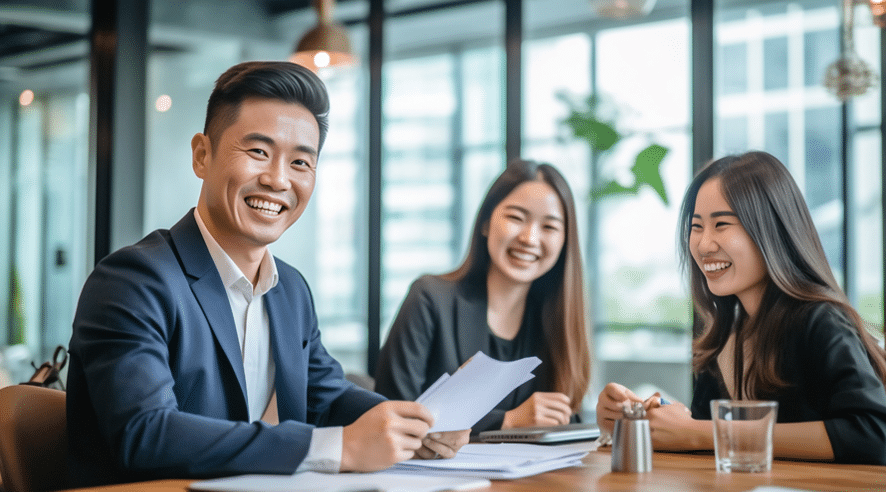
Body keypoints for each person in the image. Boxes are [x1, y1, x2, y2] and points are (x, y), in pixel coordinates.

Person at [66, 61, 468, 488]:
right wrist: (339, 448)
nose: (278, 180)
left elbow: (327, 397)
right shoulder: (133, 281)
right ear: (202, 155)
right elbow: (145, 434)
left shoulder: (290, 288)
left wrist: (412, 423)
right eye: (258, 152)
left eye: (300, 163)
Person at [596, 151, 886, 464]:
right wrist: (635, 421)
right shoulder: (724, 338)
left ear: (772, 229)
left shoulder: (820, 319)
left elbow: (873, 434)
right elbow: (701, 441)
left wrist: (704, 432)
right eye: (696, 227)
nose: (704, 245)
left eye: (721, 224)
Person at [375, 160, 591, 434]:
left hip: (532, 475)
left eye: (549, 227)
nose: (529, 238)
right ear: (486, 223)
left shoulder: (556, 321)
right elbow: (392, 411)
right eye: (516, 218)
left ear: (564, 242)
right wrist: (508, 420)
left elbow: (566, 421)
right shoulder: (429, 298)